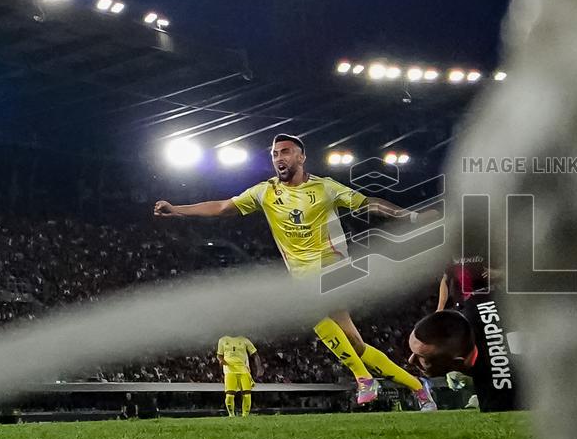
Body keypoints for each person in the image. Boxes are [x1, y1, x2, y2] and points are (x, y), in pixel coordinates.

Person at [155, 133, 437, 410]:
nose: (279, 157)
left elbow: (368, 203)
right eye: (275, 154)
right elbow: (221, 207)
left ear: (301, 157)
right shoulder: (265, 192)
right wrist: (177, 209)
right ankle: (417, 387)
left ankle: (363, 379)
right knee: (356, 345)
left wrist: (411, 216)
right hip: (303, 276)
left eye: (286, 151)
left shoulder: (325, 188)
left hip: (334, 265)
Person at [217, 334, 263, 417]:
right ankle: (231, 415)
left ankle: (245, 416)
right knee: (230, 394)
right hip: (229, 370)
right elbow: (219, 355)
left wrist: (259, 367)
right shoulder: (222, 340)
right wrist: (221, 362)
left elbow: (255, 354)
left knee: (247, 394)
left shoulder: (244, 340)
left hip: (243, 370)